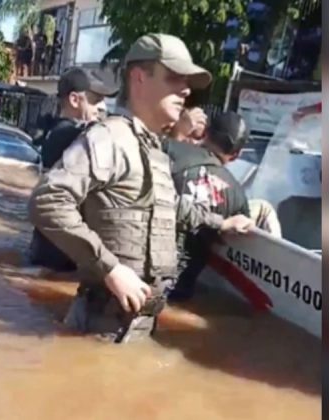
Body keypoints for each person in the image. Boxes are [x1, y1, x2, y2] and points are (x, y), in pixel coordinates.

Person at [28, 33, 254, 343]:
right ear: (139, 78)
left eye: (187, 81)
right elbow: (48, 201)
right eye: (174, 77)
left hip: (134, 328)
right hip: (100, 328)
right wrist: (111, 270)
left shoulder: (153, 149)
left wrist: (223, 222)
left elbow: (171, 206)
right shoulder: (110, 138)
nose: (186, 89)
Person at [165, 112, 281, 300]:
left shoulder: (168, 149)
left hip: (137, 277)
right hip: (180, 288)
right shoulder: (237, 195)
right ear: (236, 155)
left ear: (205, 134)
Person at [29, 67, 118, 272]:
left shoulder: (57, 130)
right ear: (75, 100)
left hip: (51, 244)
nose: (102, 107)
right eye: (95, 100)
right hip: (58, 252)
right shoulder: (69, 133)